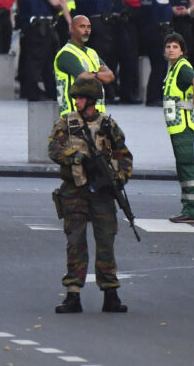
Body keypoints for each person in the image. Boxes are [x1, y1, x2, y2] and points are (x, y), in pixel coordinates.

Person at [48, 77, 133, 314]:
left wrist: (118, 178)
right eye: (75, 97)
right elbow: (54, 149)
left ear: (92, 100)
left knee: (106, 241)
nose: (76, 101)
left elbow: (124, 156)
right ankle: (73, 294)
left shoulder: (108, 125)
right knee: (75, 242)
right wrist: (77, 157)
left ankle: (110, 293)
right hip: (74, 190)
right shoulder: (66, 123)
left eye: (81, 97)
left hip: (102, 193)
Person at [162, 33, 194, 223]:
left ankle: (191, 211)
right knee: (183, 167)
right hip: (178, 127)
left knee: (187, 167)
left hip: (183, 127)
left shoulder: (181, 67)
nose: (171, 49)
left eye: (175, 46)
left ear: (182, 50)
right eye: (168, 46)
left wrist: (193, 104)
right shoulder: (173, 68)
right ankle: (188, 209)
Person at [15, 0, 71, 101]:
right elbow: (53, 2)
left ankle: (50, 92)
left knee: (43, 60)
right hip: (41, 27)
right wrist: (61, 5)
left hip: (28, 25)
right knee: (39, 60)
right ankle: (34, 92)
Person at [72, 0, 126, 100]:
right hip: (99, 24)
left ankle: (86, 91)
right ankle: (106, 92)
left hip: (81, 24)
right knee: (101, 59)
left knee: (85, 59)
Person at [113, 0, 155, 104]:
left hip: (129, 12)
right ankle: (146, 92)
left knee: (129, 54)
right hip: (147, 11)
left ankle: (129, 92)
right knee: (150, 53)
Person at [54, 15, 116, 115]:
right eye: (82, 26)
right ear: (72, 29)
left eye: (89, 27)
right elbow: (83, 77)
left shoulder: (92, 52)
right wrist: (98, 76)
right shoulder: (66, 53)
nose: (86, 30)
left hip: (96, 114)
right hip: (74, 114)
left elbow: (110, 76)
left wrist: (92, 75)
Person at [139, 0, 182, 106]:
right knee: (160, 66)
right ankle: (154, 97)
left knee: (155, 64)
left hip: (147, 30)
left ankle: (154, 96)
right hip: (159, 32)